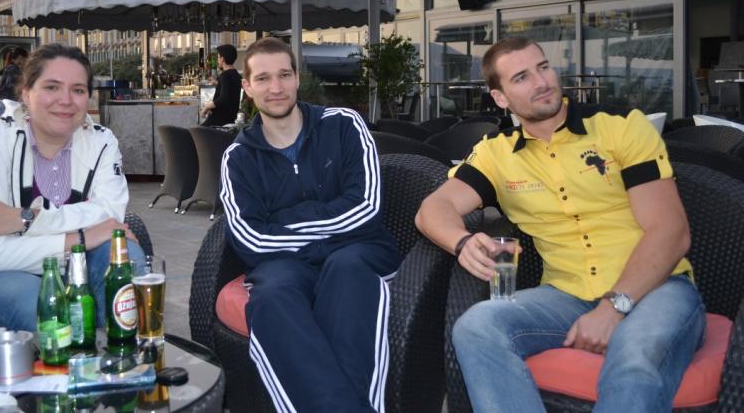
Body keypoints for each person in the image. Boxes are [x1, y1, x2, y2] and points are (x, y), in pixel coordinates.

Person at [415, 36, 705, 412]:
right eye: (521, 77)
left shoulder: (620, 127)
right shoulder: (496, 154)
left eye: (543, 67)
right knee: (476, 326)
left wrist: (613, 307)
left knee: (634, 358)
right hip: (565, 296)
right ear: (500, 98)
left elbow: (671, 231)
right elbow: (432, 209)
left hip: (656, 289)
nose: (541, 82)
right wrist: (461, 241)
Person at [220, 37, 400, 412]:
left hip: (357, 254)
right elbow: (249, 239)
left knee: (346, 270)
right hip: (286, 266)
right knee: (271, 297)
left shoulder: (344, 125)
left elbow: (365, 208)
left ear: (297, 78)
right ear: (247, 87)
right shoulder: (238, 157)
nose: (276, 87)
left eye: (284, 75)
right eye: (263, 78)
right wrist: (327, 224)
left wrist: (283, 221)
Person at [0, 44, 146, 331]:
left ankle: (119, 354)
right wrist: (81, 237)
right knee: (43, 305)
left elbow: (109, 215)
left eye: (77, 90)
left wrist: (23, 219)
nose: (66, 100)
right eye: (51, 87)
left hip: (61, 266)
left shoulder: (101, 141)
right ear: (26, 93)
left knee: (126, 262)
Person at [201, 44, 242, 126]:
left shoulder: (224, 75)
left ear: (222, 59)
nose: (217, 60)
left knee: (196, 132)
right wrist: (218, 83)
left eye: (218, 57)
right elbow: (231, 90)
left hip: (219, 119)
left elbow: (223, 98)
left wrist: (207, 107)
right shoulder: (236, 74)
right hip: (230, 118)